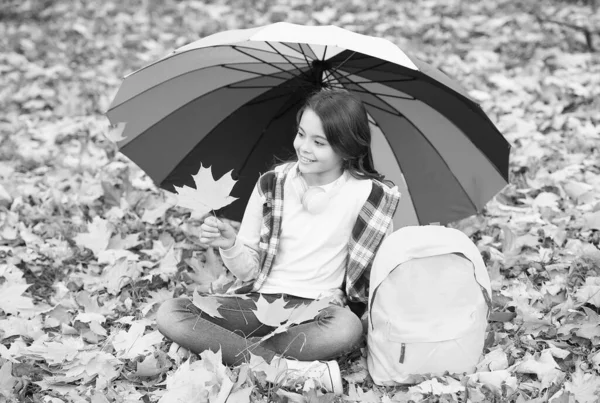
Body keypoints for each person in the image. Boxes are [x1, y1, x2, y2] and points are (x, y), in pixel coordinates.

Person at [156, 88, 400, 394]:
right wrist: (230, 244)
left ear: (347, 148)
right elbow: (247, 272)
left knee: (347, 328)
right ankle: (284, 370)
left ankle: (233, 351)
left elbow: (380, 279)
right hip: (258, 303)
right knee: (172, 312)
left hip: (318, 313)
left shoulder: (370, 197)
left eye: (319, 142)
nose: (304, 147)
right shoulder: (272, 184)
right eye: (301, 134)